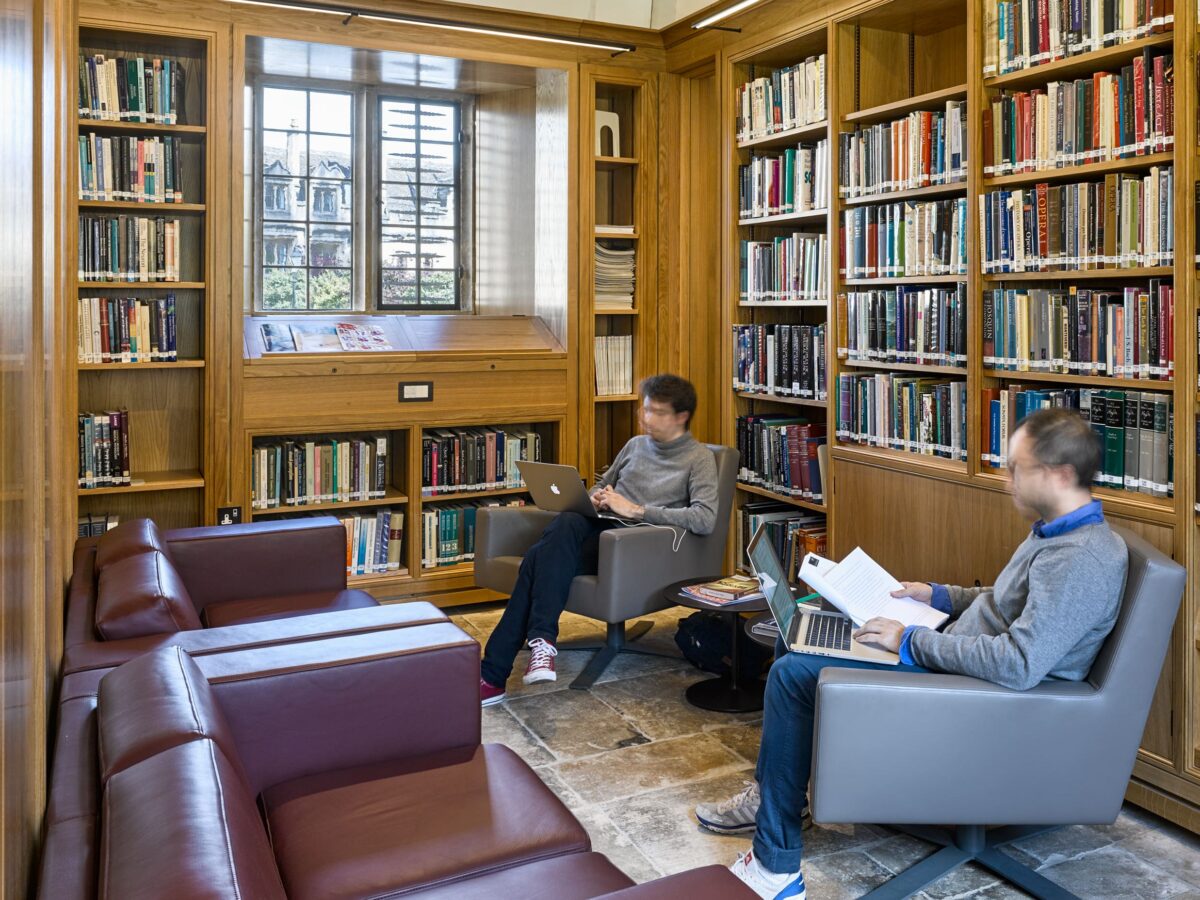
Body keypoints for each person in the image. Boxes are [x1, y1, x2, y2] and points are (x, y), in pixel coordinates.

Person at [696, 407, 1129, 900]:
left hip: (978, 695)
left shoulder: (1081, 560)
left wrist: (908, 640)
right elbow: (1007, 601)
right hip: (957, 657)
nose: (1006, 479)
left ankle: (776, 868)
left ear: (1060, 475)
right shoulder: (1056, 531)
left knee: (794, 675)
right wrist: (937, 595)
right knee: (798, 630)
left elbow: (1018, 664)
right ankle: (780, 797)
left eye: (1017, 468)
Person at [479, 373, 719, 705]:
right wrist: (594, 498)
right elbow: (602, 483)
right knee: (567, 521)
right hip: (599, 533)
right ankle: (540, 646)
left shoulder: (699, 458)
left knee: (537, 559)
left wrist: (636, 510)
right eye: (644, 410)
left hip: (636, 547)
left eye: (658, 412)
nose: (647, 419)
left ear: (681, 416)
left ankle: (494, 674)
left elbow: (704, 519)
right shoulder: (635, 445)